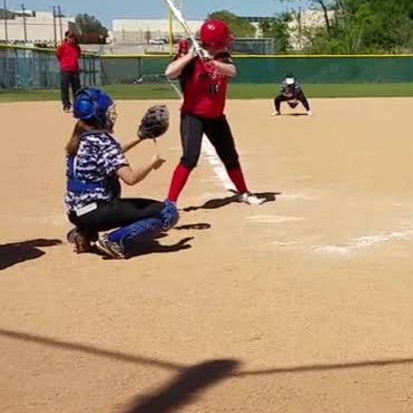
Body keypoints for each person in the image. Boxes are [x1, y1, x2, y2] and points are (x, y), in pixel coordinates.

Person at [65, 88, 178, 258]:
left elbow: (111, 154)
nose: (111, 115)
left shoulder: (80, 138)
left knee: (106, 198)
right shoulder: (104, 141)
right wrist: (153, 162)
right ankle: (113, 240)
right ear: (99, 115)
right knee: (167, 213)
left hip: (76, 213)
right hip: (96, 211)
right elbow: (130, 178)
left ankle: (84, 232)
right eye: (107, 111)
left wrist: (140, 137)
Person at [164, 21, 264, 205]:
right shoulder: (191, 58)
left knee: (230, 156)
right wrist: (192, 55)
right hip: (193, 116)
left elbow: (232, 71)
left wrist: (211, 60)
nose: (227, 43)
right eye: (224, 40)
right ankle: (170, 202)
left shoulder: (223, 57)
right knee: (189, 158)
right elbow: (169, 73)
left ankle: (243, 192)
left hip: (215, 116)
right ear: (215, 41)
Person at [56, 29, 82, 112]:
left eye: (73, 37)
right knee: (65, 88)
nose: (72, 38)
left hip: (75, 69)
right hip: (65, 69)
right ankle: (66, 105)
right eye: (70, 37)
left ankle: (77, 105)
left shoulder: (76, 47)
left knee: (77, 89)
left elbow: (78, 55)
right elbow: (59, 55)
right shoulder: (62, 46)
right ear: (66, 37)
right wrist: (65, 63)